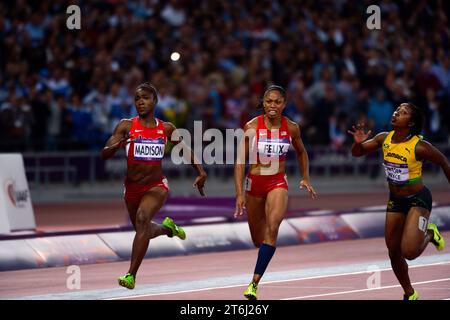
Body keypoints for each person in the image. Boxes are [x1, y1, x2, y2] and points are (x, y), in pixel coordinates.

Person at [101, 82, 207, 289]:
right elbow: (104, 153)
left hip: (156, 186)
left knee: (142, 220)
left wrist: (201, 172)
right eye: (137, 99)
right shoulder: (126, 126)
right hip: (131, 188)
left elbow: (185, 150)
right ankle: (168, 228)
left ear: (155, 101)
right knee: (144, 230)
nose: (141, 102)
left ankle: (130, 275)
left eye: (145, 98)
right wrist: (117, 145)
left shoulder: (166, 128)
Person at [348, 102, 449, 300]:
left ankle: (430, 232)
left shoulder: (420, 147)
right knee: (393, 252)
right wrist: (357, 143)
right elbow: (357, 153)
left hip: (418, 199)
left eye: (402, 113)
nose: (396, 113)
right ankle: (410, 293)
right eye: (396, 110)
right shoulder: (383, 138)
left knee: (409, 252)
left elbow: (444, 162)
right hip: (395, 199)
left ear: (410, 123)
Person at [234, 85, 317, 300]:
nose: (273, 106)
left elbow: (301, 152)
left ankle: (253, 284)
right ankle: (263, 255)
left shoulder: (291, 128)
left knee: (273, 228)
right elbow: (240, 162)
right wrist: (240, 194)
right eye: (269, 101)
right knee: (257, 239)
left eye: (277, 102)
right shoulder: (251, 126)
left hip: (277, 182)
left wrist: (305, 177)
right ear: (263, 103)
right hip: (254, 184)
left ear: (284, 104)